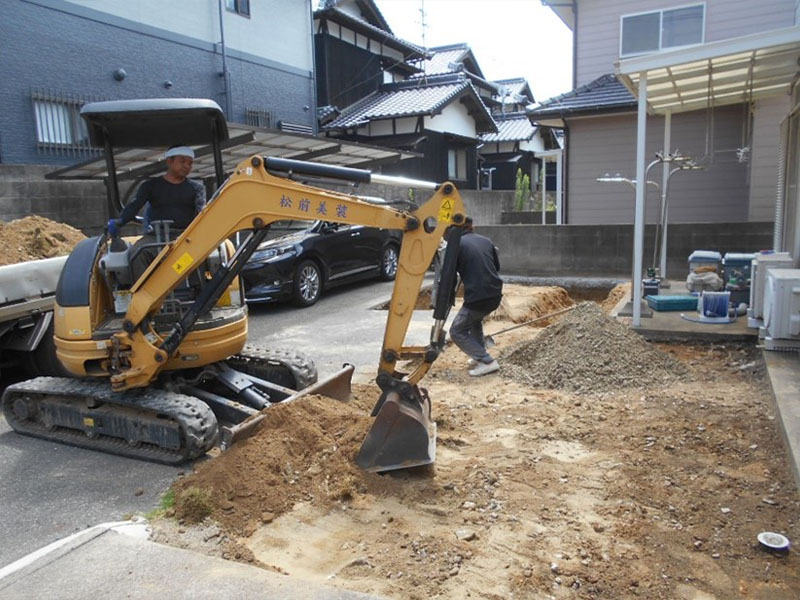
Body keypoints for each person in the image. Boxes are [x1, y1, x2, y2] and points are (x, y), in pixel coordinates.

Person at [107, 145, 205, 280]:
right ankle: (144, 293)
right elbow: (135, 205)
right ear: (169, 161)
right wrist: (120, 221)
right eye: (182, 161)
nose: (187, 166)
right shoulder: (151, 185)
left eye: (190, 163)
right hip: (155, 236)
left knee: (200, 253)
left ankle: (198, 289)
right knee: (137, 253)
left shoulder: (196, 188)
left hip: (184, 236)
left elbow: (201, 212)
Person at [449, 217, 503, 376]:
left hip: (479, 297)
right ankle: (478, 353)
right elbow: (496, 266)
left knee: (456, 331)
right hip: (495, 293)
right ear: (472, 227)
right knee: (474, 321)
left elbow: (450, 276)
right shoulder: (486, 240)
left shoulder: (457, 245)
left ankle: (487, 361)